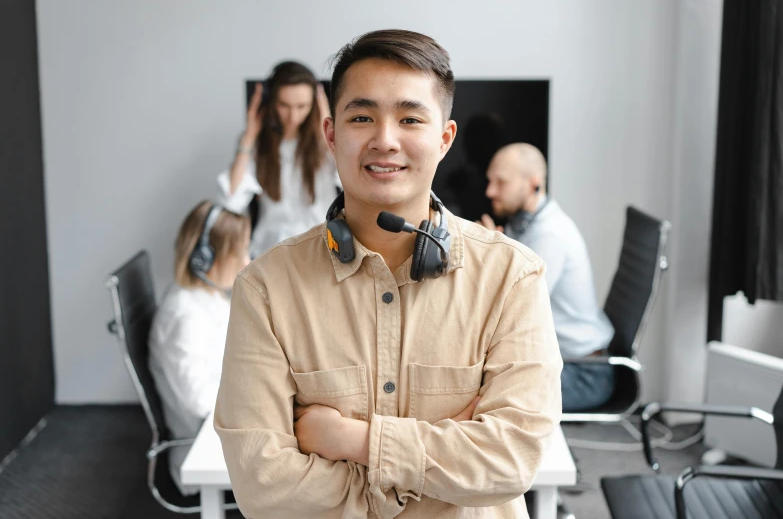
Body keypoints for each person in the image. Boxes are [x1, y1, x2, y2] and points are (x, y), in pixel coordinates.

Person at [215, 30, 562, 519]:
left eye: (410, 118)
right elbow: (263, 490)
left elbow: (509, 462)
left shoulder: (513, 277)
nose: (384, 139)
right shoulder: (266, 289)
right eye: (362, 117)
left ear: (444, 139)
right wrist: (443, 468)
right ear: (332, 134)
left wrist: (352, 441)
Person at [479, 143, 615, 412]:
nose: (490, 191)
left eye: (501, 182)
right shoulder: (525, 222)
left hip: (584, 373)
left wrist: (488, 251)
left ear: (533, 184)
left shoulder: (549, 235)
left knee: (482, 388)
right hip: (565, 362)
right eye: (490, 181)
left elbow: (512, 307)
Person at [148, 200, 250, 494]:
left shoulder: (208, 296)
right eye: (238, 252)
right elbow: (200, 402)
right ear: (204, 258)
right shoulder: (185, 315)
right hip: (206, 453)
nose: (247, 260)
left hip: (229, 429)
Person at [217, 60, 340, 258]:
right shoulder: (257, 145)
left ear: (315, 104)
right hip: (270, 252)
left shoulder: (327, 145)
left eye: (302, 106)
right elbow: (231, 200)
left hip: (321, 251)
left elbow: (350, 181)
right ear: (272, 102)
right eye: (284, 105)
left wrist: (329, 133)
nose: (293, 115)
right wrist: (249, 136)